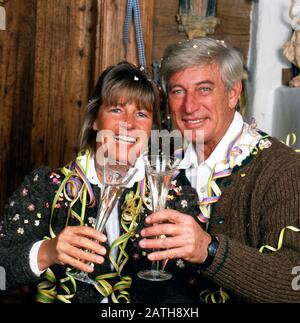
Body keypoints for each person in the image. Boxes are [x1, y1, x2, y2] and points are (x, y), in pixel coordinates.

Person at [138, 37, 300, 303]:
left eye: (203, 89)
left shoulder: (281, 169)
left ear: (233, 93)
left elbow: (295, 282)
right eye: (178, 91)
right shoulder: (159, 160)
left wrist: (209, 250)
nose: (189, 106)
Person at [0, 61, 164, 303]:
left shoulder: (171, 194)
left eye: (141, 114)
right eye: (117, 110)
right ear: (95, 121)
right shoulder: (47, 187)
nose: (129, 124)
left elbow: (188, 287)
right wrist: (47, 251)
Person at [283, 0, 300, 87]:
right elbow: (291, 15)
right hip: (296, 45)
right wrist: (292, 4)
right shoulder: (297, 21)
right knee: (297, 59)